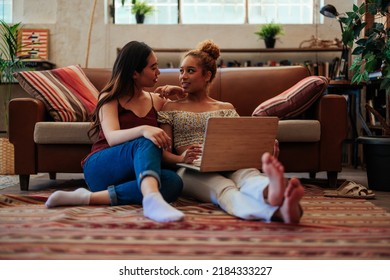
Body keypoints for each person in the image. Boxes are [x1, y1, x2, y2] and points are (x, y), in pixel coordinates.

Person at [157, 40, 304, 223]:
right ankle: (277, 212)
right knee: (224, 188)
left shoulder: (226, 107)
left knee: (249, 175)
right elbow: (162, 153)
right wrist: (181, 159)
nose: (183, 76)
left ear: (207, 75)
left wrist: (262, 152)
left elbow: (239, 143)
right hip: (190, 169)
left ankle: (270, 190)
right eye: (181, 71)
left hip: (229, 162)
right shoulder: (170, 107)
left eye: (190, 71)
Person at [45, 41, 184, 223]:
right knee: (146, 140)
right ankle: (151, 198)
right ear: (135, 72)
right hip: (102, 167)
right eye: (153, 67)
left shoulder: (158, 101)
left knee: (174, 182)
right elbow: (112, 137)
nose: (159, 72)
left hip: (137, 174)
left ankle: (88, 198)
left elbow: (192, 110)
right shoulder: (110, 97)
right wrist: (144, 129)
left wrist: (182, 96)